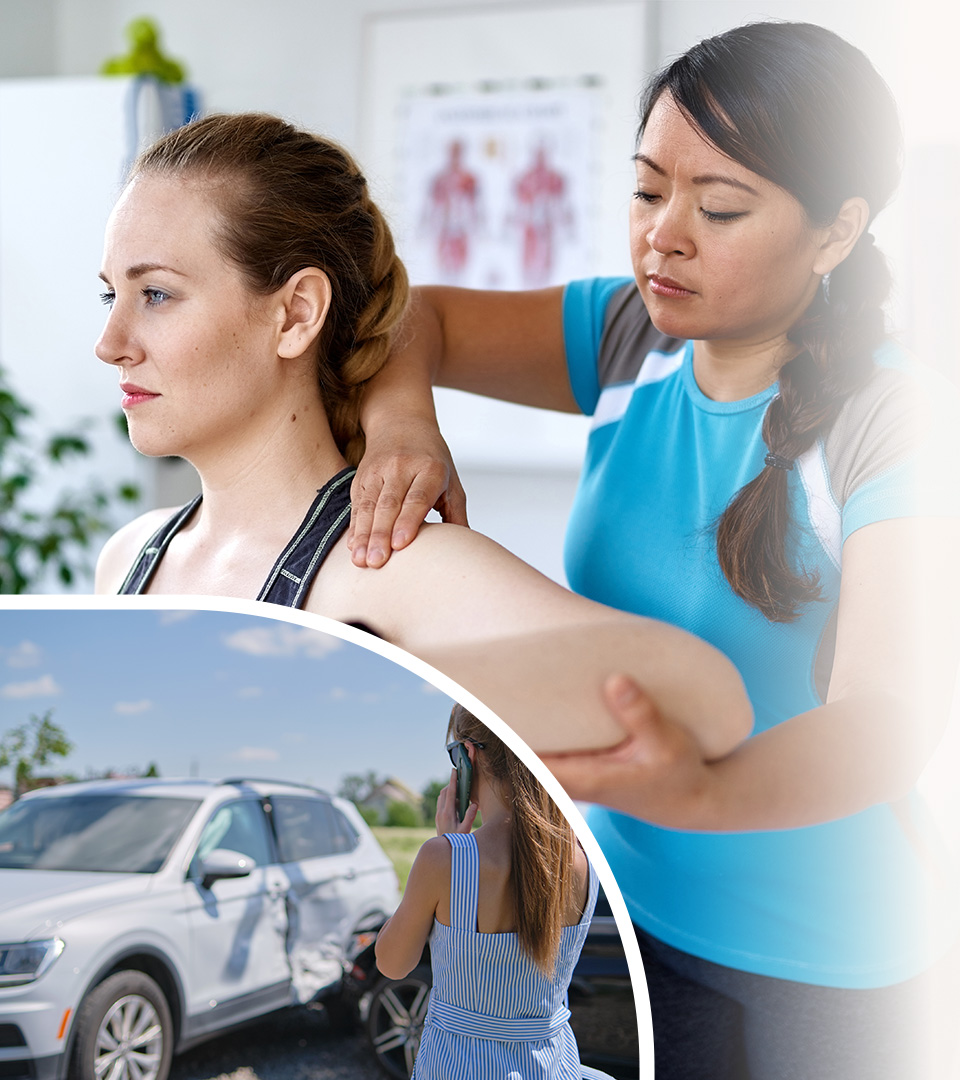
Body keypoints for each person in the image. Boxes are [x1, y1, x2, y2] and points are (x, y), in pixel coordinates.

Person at [346, 21, 960, 1080]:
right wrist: (405, 424)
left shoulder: (892, 421)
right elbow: (415, 318)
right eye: (646, 190)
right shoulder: (632, 337)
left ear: (836, 230)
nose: (662, 237)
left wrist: (705, 794)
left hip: (837, 956)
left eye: (719, 209)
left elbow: (888, 719)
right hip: (636, 918)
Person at [92, 111, 751, 762]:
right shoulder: (129, 558)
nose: (109, 344)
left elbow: (705, 702)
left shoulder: (399, 571)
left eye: (156, 295)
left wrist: (396, 684)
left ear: (295, 315)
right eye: (109, 296)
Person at [375, 705, 615, 1079]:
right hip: (553, 1066)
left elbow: (392, 964)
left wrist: (448, 847)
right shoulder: (585, 862)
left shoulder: (444, 859)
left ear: (469, 755)